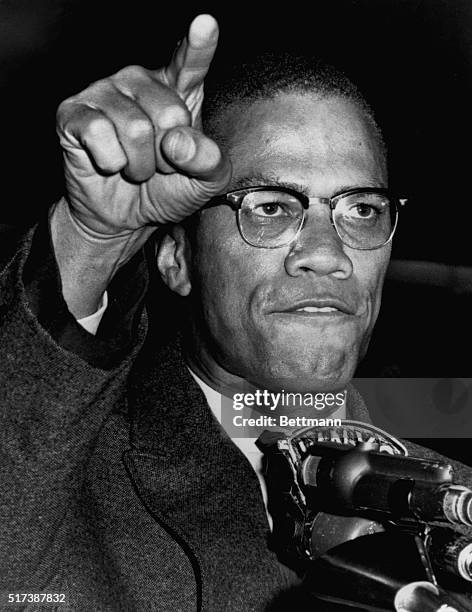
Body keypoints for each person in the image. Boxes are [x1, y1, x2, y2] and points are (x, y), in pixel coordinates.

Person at [1, 13, 471, 612]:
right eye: (271, 207)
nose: (327, 256)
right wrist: (89, 241)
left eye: (362, 209)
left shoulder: (456, 510)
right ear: (177, 258)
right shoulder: (58, 489)